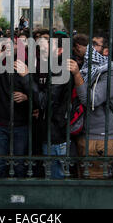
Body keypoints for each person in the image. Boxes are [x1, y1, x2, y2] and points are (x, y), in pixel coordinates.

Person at [17, 31, 71, 179]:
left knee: (55, 180)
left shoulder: (60, 70)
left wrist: (26, 76)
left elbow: (44, 101)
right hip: (48, 131)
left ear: (60, 50)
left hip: (55, 136)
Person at [68, 33, 113, 179]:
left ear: (106, 51)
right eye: (90, 44)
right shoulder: (90, 68)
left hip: (100, 138)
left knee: (95, 182)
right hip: (85, 134)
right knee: (83, 178)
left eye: (95, 45)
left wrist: (77, 74)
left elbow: (91, 99)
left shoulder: (112, 72)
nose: (90, 48)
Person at [0, 37, 32, 178]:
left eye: (14, 43)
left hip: (21, 122)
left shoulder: (27, 63)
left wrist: (27, 97)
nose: (10, 46)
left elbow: (38, 90)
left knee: (19, 163)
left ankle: (18, 190)